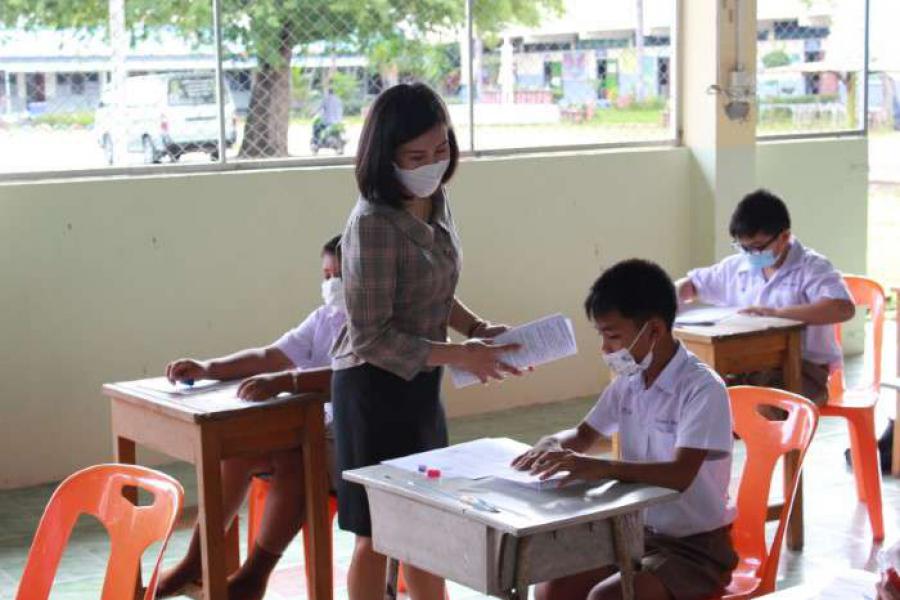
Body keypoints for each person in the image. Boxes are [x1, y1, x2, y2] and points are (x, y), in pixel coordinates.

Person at [332, 82, 524, 600]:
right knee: (377, 532)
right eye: (416, 157)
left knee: (425, 524)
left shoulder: (435, 198)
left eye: (441, 150)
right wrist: (461, 354)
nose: (432, 165)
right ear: (386, 155)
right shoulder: (373, 223)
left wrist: (476, 329)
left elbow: (434, 290)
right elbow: (372, 337)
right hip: (371, 390)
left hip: (420, 381)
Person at [514, 259, 738, 600]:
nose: (605, 349)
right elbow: (584, 436)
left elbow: (680, 475)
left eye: (613, 336)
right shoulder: (630, 381)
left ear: (654, 331)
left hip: (693, 548)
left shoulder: (702, 389)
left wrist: (600, 468)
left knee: (606, 598)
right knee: (551, 588)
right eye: (602, 336)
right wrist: (552, 443)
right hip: (633, 534)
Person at [156, 235, 344, 600]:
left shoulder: (372, 326)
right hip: (313, 430)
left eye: (341, 275)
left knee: (295, 457)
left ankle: (254, 575)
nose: (332, 284)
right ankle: (196, 562)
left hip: (350, 443)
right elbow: (268, 357)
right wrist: (208, 367)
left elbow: (348, 377)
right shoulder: (324, 319)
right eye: (326, 276)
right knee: (238, 451)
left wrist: (286, 381)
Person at [675, 189, 855, 406]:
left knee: (761, 408)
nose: (751, 254)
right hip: (744, 367)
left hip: (803, 368)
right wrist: (668, 299)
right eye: (743, 247)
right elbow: (691, 286)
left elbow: (842, 308)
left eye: (758, 247)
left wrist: (777, 314)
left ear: (784, 237)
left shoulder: (812, 267)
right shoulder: (736, 266)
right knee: (692, 398)